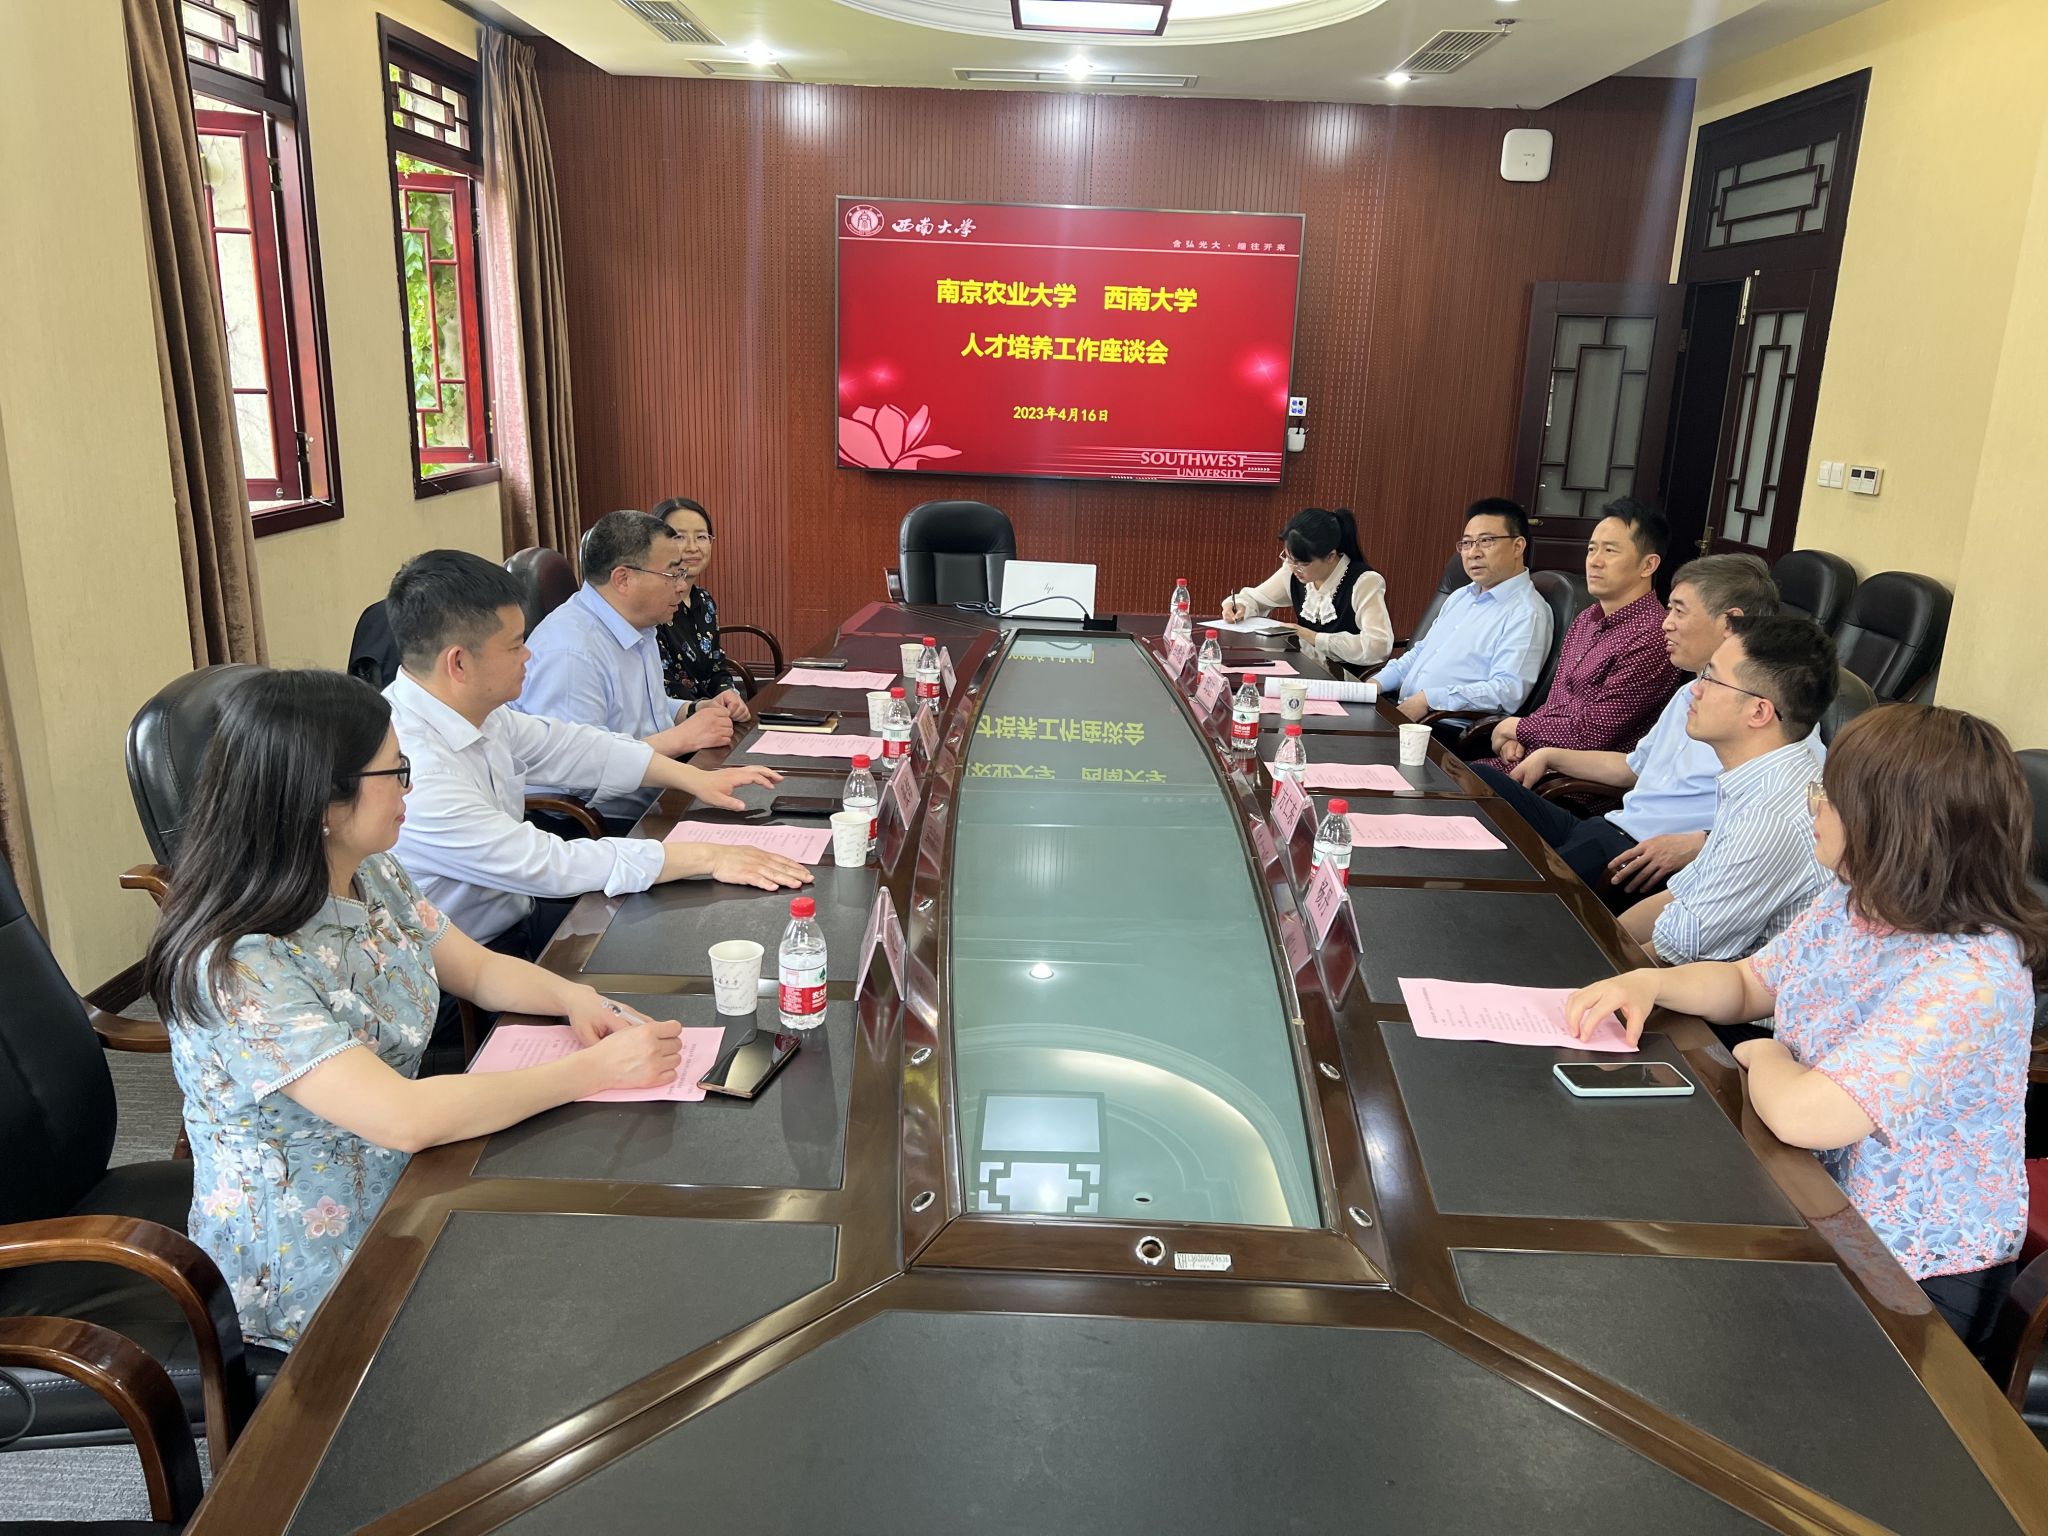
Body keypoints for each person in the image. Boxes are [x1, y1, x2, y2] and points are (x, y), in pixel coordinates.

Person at [145, 670, 690, 1348]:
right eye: (396, 771)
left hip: (412, 1176)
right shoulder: (238, 964)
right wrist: (596, 1070)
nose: (411, 787)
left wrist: (576, 998)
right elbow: (404, 1118)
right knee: (575, 1297)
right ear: (321, 798)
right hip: (315, 1255)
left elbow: (476, 968)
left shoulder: (367, 870)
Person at [1565, 704, 2048, 1356]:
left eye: (1831, 797)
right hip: (1805, 1190)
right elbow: (1748, 984)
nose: (1813, 807)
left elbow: (1806, 1115)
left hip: (1910, 1265)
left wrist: (1766, 1054)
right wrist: (1652, 984)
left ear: (1893, 827)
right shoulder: (1857, 899)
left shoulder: (1973, 975)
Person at [384, 550, 810, 964]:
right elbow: (545, 863)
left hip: (520, 913)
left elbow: (576, 747)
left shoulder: (478, 711)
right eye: (515, 647)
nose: (529, 655)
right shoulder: (415, 769)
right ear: (459, 663)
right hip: (460, 964)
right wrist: (708, 857)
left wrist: (696, 779)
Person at [1474, 553, 1778, 904]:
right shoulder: (1690, 692)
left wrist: (1703, 843)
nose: (1666, 624)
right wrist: (1548, 755)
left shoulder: (1762, 714)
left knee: (1510, 893)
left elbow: (1787, 815)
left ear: (1731, 623)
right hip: (1607, 828)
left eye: (1679, 612)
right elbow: (1632, 768)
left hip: (1639, 858)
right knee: (1478, 782)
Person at [1619, 615, 1835, 962]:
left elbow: (1672, 954)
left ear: (1759, 711)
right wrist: (1604, 937)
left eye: (1711, 678)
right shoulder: (1757, 779)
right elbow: (1679, 898)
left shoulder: (1771, 819)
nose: (1695, 689)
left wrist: (1586, 976)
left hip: (1724, 995)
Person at [517, 510, 737, 824]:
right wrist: (681, 738)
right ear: (623, 579)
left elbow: (639, 708)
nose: (681, 585)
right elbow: (575, 772)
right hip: (596, 823)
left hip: (655, 791)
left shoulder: (638, 623)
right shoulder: (571, 653)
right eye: (672, 574)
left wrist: (691, 710)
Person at [1476, 498, 1678, 770]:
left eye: (1610, 551)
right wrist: (1518, 738)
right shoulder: (1587, 617)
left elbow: (1592, 734)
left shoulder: (1652, 636)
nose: (1595, 561)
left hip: (1567, 780)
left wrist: (1517, 728)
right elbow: (1555, 705)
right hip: (1528, 759)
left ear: (1648, 565)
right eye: (1591, 549)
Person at [1370, 499, 1552, 722]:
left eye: (1486, 541)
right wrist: (1374, 685)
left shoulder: (1527, 613)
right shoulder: (1461, 596)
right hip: (1404, 711)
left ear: (1518, 546)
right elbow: (1420, 654)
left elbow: (1507, 691)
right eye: (1466, 543)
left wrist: (1428, 699)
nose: (1473, 553)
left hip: (1444, 727)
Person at [1217, 506, 1393, 671]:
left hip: (1346, 679)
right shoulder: (1292, 572)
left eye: (1303, 563)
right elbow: (1255, 599)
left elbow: (1378, 646)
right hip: (1302, 671)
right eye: (1288, 558)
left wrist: (1314, 638)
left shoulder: (1364, 582)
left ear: (1331, 556)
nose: (1294, 568)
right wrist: (1240, 606)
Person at [653, 497, 751, 722]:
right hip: (676, 724)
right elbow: (663, 688)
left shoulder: (704, 600)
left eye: (701, 537)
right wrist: (708, 711)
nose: (692, 547)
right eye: (679, 537)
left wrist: (729, 695)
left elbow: (717, 669)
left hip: (713, 717)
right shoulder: (653, 609)